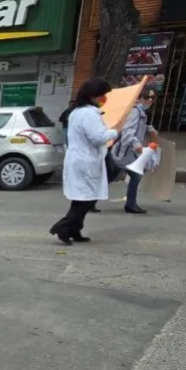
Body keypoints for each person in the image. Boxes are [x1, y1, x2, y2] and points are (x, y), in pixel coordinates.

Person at [49, 78, 117, 245]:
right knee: (86, 199)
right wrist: (114, 131)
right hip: (85, 160)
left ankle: (75, 230)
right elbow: (97, 137)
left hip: (81, 159)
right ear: (93, 96)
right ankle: (63, 227)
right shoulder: (88, 114)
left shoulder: (79, 112)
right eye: (102, 95)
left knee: (82, 198)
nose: (104, 99)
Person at [113, 88, 159, 214]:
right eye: (146, 97)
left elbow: (136, 127)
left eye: (152, 97)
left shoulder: (140, 112)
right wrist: (136, 143)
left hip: (128, 151)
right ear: (139, 99)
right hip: (126, 151)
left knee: (114, 175)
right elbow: (128, 131)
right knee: (134, 175)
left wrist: (148, 127)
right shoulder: (135, 112)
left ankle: (89, 202)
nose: (149, 100)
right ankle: (130, 205)